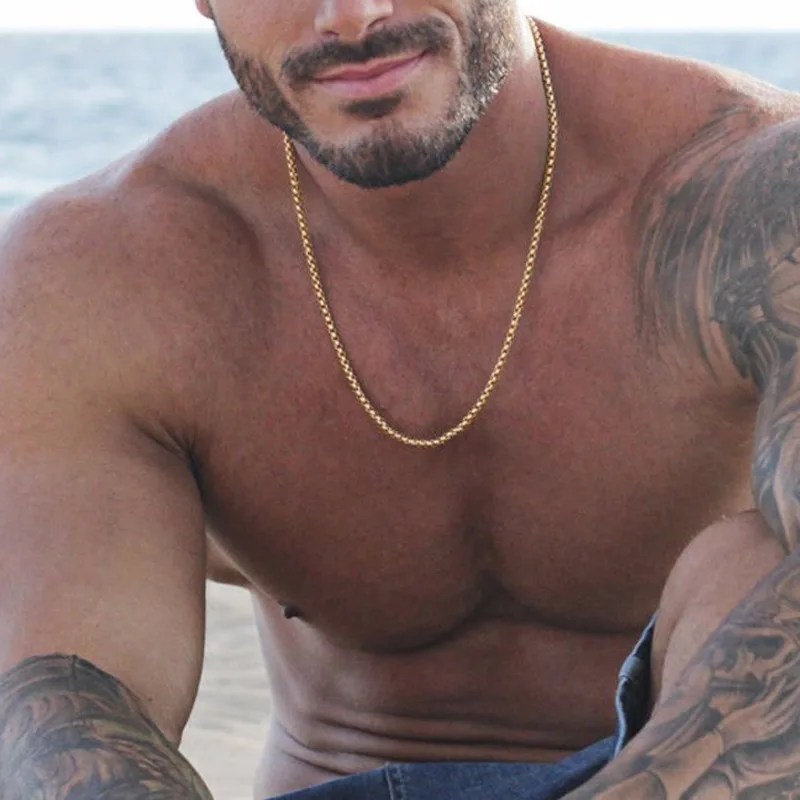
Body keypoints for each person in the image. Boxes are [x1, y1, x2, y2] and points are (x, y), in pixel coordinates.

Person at [0, 0, 799, 796]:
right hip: (344, 781)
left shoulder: (751, 193)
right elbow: (64, 702)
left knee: (749, 565)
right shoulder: (102, 272)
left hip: (684, 773)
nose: (351, 18)